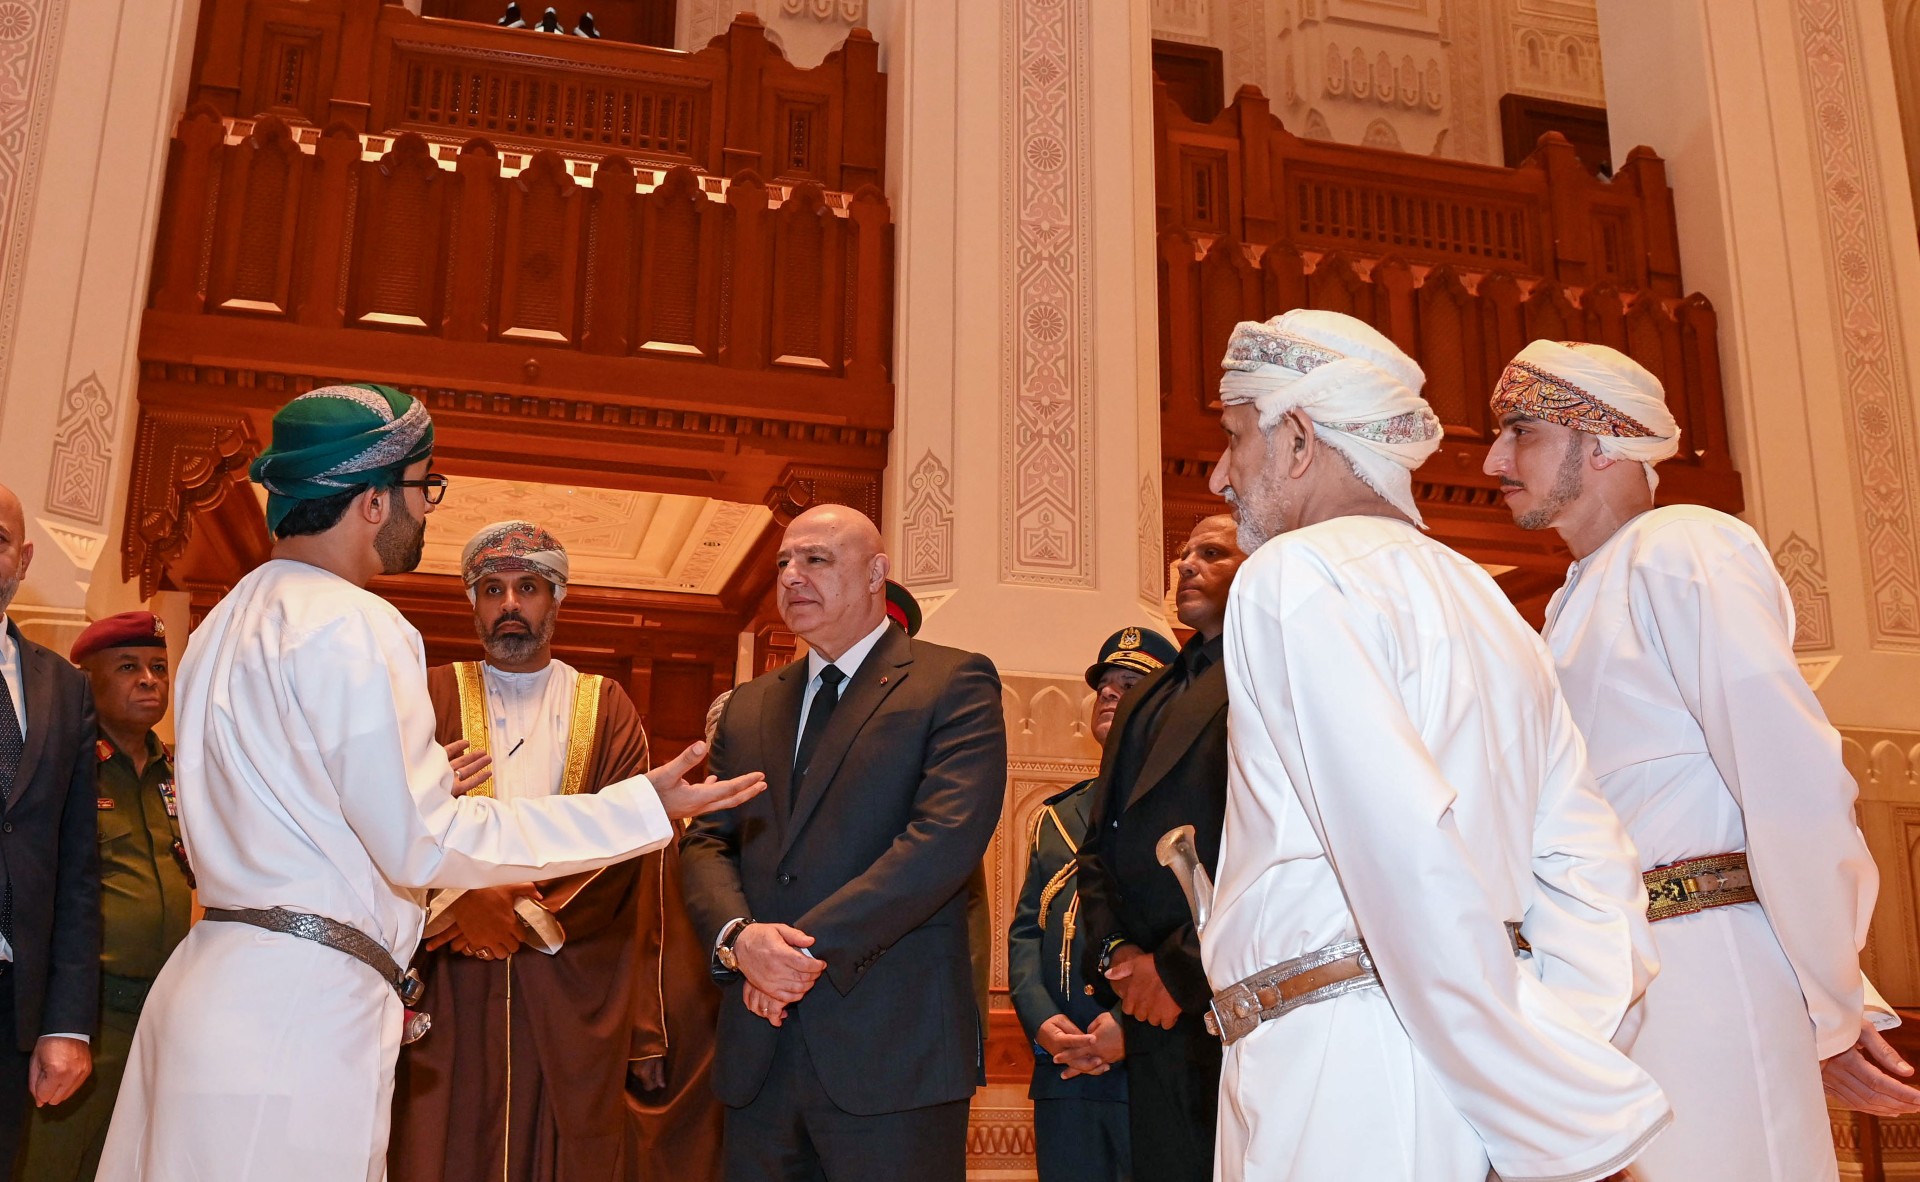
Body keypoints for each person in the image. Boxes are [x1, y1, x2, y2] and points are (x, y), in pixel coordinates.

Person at [96, 385, 764, 1182]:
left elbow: (288, 798)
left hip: (217, 984)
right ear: (375, 500)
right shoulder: (355, 620)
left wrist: (403, 786)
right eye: (425, 487)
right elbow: (425, 842)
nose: (426, 509)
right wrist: (640, 805)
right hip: (297, 1014)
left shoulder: (224, 620)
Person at [1204, 310, 1670, 1181]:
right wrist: (1548, 1067)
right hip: (1481, 1060)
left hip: (1344, 1075)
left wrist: (1539, 1099)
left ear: (1298, 439)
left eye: (1235, 438)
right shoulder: (1490, 603)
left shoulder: (1292, 576)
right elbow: (1594, 872)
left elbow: (1403, 852)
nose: (1219, 474)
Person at [1483, 339, 1919, 1179]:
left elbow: (1787, 777)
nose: (1495, 459)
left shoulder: (1685, 545)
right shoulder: (1569, 604)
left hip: (1707, 970)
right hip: (1609, 975)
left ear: (1603, 441)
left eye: (1523, 431)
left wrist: (1831, 1002)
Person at [389, 520, 726, 1182]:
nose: (509, 604)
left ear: (557, 597)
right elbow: (386, 819)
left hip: (569, 978)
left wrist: (515, 911)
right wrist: (460, 901)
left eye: (528, 587)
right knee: (441, 1140)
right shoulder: (426, 696)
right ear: (473, 601)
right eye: (492, 589)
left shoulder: (606, 706)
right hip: (449, 974)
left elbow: (628, 849)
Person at [680, 504, 1007, 1182]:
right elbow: (708, 841)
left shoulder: (953, 682)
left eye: (816, 559)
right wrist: (741, 940)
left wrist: (791, 957)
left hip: (894, 1055)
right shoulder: (749, 705)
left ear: (876, 573)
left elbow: (941, 841)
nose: (791, 576)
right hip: (759, 1057)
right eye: (783, 563)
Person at [1072, 516, 1243, 1182]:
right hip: (1148, 1003)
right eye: (1183, 554)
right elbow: (1100, 842)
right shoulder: (1146, 694)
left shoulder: (1270, 671)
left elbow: (1273, 842)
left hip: (1227, 992)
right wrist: (1118, 953)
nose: (1186, 565)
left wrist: (1178, 969)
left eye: (1212, 553)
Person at [15, 613, 185, 1182]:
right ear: (86, 681)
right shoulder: (63, 767)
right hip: (85, 1012)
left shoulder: (176, 771)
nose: (149, 680)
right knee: (48, 1162)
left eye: (159, 667)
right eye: (128, 667)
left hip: (156, 1013)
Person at [1009, 626, 1177, 1182]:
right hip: (1064, 1066)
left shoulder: (1184, 804)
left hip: (1152, 1059)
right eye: (1105, 684)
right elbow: (1027, 931)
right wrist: (1043, 1022)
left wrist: (1129, 1028)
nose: (1109, 692)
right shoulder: (1057, 814)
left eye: (1130, 683)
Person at [0, 486, 98, 1175]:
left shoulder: (65, 689)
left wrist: (66, 1022)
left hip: (12, 1006)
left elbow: (77, 866)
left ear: (24, 559)